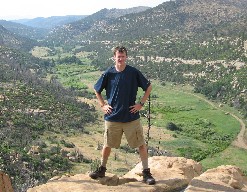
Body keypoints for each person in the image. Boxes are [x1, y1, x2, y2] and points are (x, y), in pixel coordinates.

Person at [89, 46, 155, 185]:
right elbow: (97, 89)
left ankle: (146, 172)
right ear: (114, 57)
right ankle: (102, 169)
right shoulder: (108, 73)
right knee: (107, 145)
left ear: (126, 57)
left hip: (131, 117)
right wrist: (103, 105)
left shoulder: (133, 72)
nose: (120, 59)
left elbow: (148, 87)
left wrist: (140, 104)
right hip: (113, 117)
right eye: (118, 56)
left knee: (141, 145)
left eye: (123, 56)